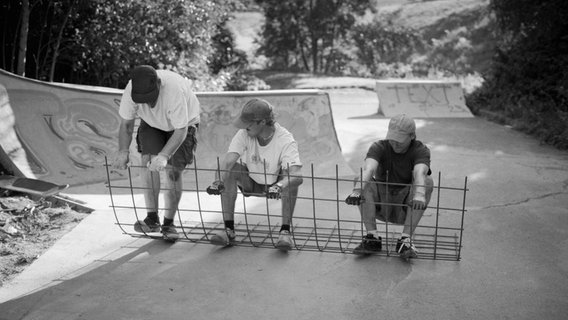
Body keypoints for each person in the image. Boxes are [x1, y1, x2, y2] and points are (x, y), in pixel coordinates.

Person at [112, 65, 200, 242]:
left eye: (150, 98)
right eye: (142, 99)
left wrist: (165, 156)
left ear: (159, 84)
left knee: (173, 172)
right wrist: (122, 151)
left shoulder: (174, 90)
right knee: (148, 162)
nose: (149, 103)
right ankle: (152, 219)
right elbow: (126, 125)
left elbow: (181, 131)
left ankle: (169, 224)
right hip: (152, 124)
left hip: (183, 125)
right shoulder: (130, 89)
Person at [206, 98, 303, 251]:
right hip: (250, 182)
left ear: (262, 122)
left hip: (274, 185)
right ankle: (229, 230)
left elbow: (297, 175)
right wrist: (218, 181)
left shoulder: (285, 140)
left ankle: (285, 232)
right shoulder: (244, 134)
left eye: (248, 124)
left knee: (290, 177)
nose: (244, 127)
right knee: (230, 170)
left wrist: (279, 186)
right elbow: (227, 162)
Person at [345, 114, 433, 258]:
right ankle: (372, 238)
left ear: (412, 136)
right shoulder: (379, 147)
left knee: (427, 181)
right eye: (392, 138)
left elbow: (420, 172)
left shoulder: (420, 150)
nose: (394, 143)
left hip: (406, 205)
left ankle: (405, 240)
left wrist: (420, 194)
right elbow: (369, 169)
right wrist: (357, 190)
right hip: (381, 203)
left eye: (399, 140)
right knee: (360, 180)